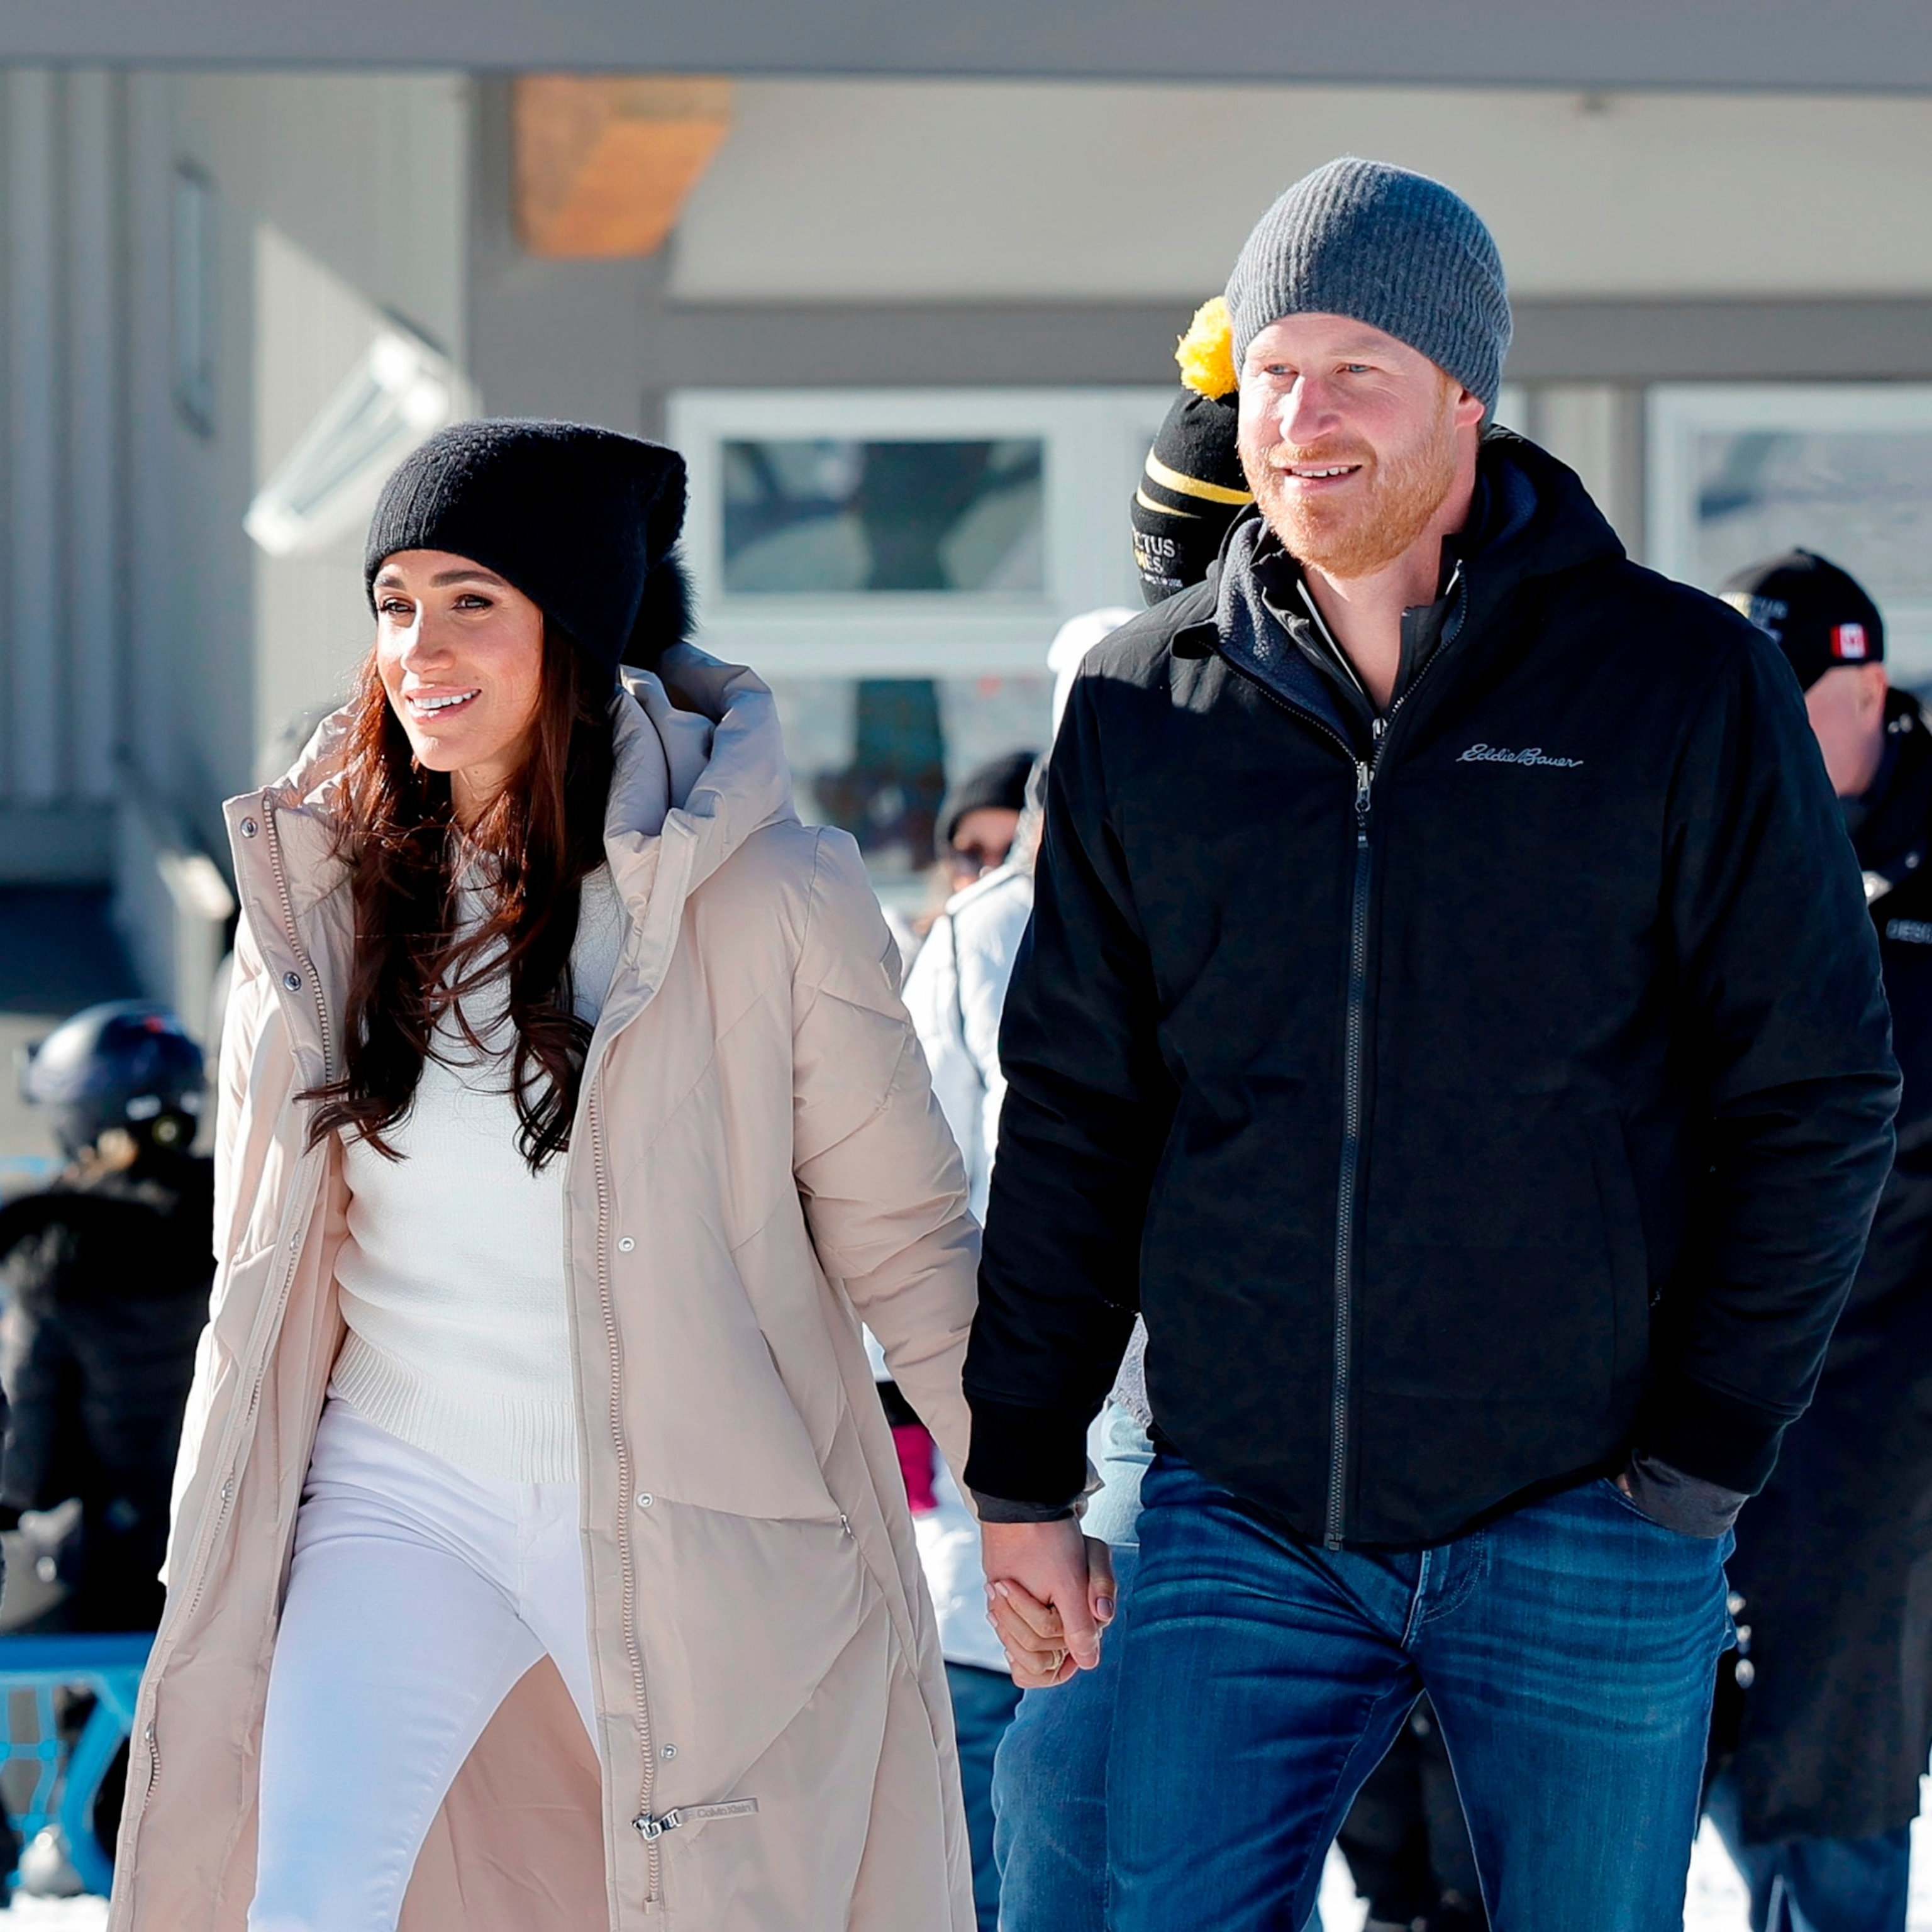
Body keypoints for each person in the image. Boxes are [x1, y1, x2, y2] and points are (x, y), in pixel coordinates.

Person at [963, 157, 1900, 1932]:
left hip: (1589, 1516)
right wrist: (1024, 1470)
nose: (1298, 419)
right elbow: (1079, 1113)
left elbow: (1819, 1092)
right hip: (1246, 1519)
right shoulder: (1143, 712)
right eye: (1275, 371)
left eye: (1357, 372)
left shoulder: (1678, 687)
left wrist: (1700, 1449)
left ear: (1468, 392)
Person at [108, 421, 982, 1932]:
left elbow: (903, 1230)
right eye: (394, 601)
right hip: (395, 1482)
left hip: (672, 1496)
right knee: (301, 1887)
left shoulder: (767, 892)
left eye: (472, 602)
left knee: (722, 1899)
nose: (419, 647)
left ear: (571, 631)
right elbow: (254, 1262)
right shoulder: (320, 891)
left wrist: (1015, 1491)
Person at [994, 314, 1485, 1932]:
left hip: (1439, 1435)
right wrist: (1012, 1462)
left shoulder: (1439, 792)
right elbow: (1016, 1148)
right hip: (1159, 1445)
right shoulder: (1116, 744)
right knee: (1076, 1811)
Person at [1700, 550, 1932, 1932]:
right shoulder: (1693, 834)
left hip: (1889, 1393)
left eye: (1788, 705)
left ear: (1866, 691)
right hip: (1701, 1380)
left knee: (1841, 1748)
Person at [1, 1002, 211, 1633]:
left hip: (114, 1577)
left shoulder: (59, 1253)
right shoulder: (251, 1218)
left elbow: (22, 1466)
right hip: (256, 1550)